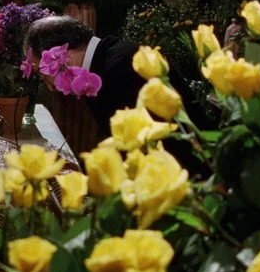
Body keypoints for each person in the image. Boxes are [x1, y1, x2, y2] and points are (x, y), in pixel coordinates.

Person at [24, 16, 210, 170]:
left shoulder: (115, 71)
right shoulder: (110, 55)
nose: (51, 86)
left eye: (43, 76)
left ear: (62, 57)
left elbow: (133, 152)